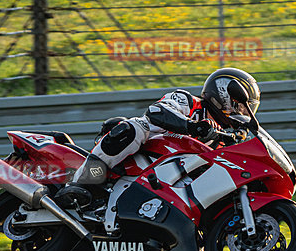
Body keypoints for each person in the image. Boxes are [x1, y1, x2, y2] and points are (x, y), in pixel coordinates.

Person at [70, 67, 261, 186]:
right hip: (142, 154)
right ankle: (81, 183)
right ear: (224, 95)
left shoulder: (220, 138)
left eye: (247, 109)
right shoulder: (187, 101)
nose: (243, 113)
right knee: (134, 128)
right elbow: (157, 111)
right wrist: (192, 127)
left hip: (166, 182)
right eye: (241, 106)